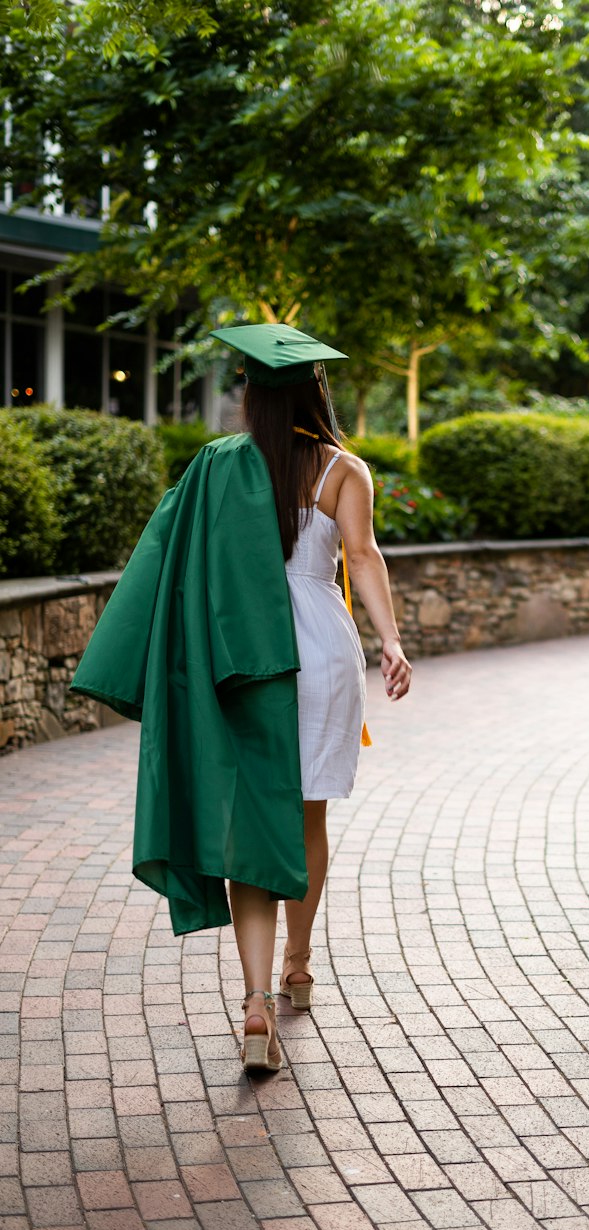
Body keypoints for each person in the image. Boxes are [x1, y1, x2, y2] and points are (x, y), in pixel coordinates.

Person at [72, 323, 411, 1073]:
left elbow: (166, 560)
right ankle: (299, 961)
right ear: (316, 391)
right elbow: (362, 555)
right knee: (306, 811)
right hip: (318, 652)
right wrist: (391, 641)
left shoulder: (218, 467)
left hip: (239, 655)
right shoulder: (342, 470)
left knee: (248, 818)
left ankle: (254, 1000)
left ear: (252, 395)